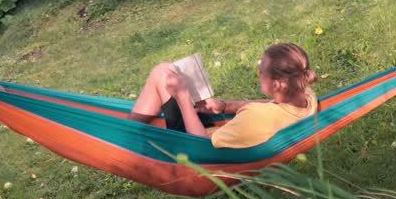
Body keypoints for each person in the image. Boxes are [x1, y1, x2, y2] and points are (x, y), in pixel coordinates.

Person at [129, 43, 319, 148]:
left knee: (161, 72)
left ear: (277, 84)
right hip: (223, 140)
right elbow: (273, 104)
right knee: (166, 70)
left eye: (261, 71)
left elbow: (202, 148)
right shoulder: (306, 96)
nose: (258, 73)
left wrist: (182, 96)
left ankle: (126, 135)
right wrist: (224, 106)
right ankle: (130, 128)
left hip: (197, 148)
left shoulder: (256, 117)